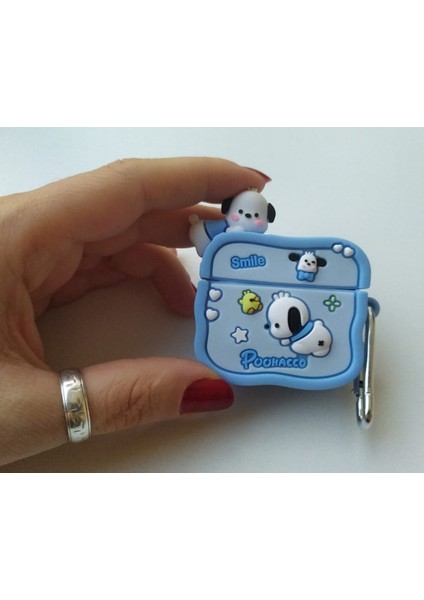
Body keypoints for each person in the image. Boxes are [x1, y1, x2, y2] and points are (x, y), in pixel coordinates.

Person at [0, 157, 271, 466]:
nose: (249, 219)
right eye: (243, 214)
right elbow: (203, 237)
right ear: (230, 213)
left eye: (256, 216)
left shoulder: (245, 244)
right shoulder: (223, 237)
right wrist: (199, 230)